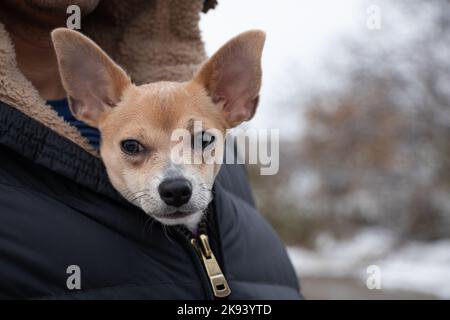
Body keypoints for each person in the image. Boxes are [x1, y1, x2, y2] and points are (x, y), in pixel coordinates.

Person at [0, 0, 301, 299]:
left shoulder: (235, 183)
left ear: (234, 101)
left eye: (201, 142)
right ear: (89, 101)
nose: (174, 179)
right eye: (134, 147)